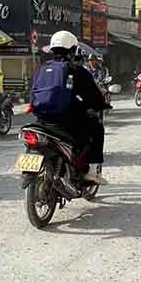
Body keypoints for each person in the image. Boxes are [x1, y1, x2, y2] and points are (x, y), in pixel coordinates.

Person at [30, 31, 110, 184]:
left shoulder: (41, 69)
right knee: (97, 127)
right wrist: (101, 105)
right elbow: (95, 97)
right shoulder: (78, 71)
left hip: (42, 121)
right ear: (73, 50)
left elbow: (32, 92)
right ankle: (92, 172)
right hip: (68, 123)